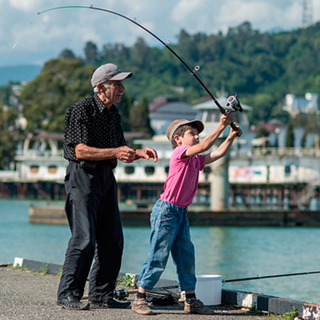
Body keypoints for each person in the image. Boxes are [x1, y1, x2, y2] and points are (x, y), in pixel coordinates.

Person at [57, 63, 158, 310]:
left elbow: (119, 148)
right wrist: (114, 151)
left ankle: (101, 295)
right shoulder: (81, 109)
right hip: (82, 177)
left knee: (113, 239)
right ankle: (68, 294)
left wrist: (138, 152)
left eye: (122, 84)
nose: (123, 89)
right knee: (84, 239)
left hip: (105, 177)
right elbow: (79, 150)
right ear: (101, 87)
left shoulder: (113, 113)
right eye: (117, 84)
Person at [132, 114, 242, 315]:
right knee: (159, 254)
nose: (197, 137)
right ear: (178, 139)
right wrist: (221, 125)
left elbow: (215, 154)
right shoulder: (180, 153)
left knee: (186, 256)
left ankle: (190, 299)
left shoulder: (194, 160)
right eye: (193, 133)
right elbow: (203, 147)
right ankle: (140, 297)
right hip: (166, 210)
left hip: (180, 213)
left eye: (198, 134)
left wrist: (231, 136)